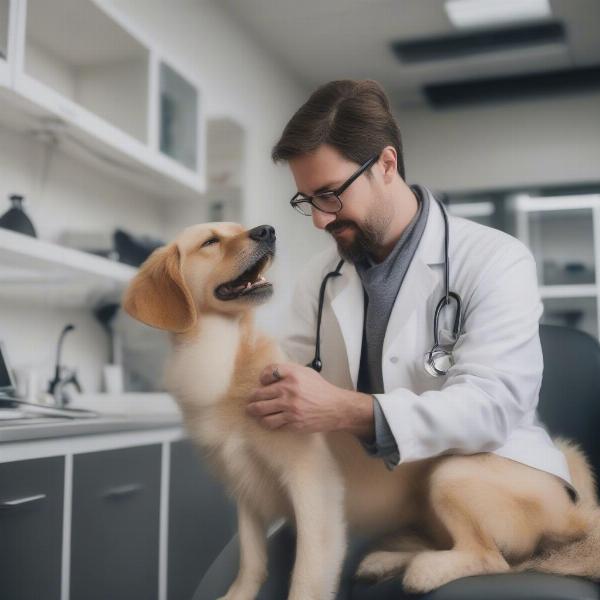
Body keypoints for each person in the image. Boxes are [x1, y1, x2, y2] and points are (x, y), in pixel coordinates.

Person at [193, 79, 574, 600]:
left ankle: (473, 551)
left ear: (386, 165)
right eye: (308, 200)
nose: (322, 218)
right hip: (383, 495)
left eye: (331, 193)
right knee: (229, 584)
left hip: (493, 483)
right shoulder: (320, 276)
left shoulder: (495, 259)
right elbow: (298, 387)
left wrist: (350, 410)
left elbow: (494, 408)